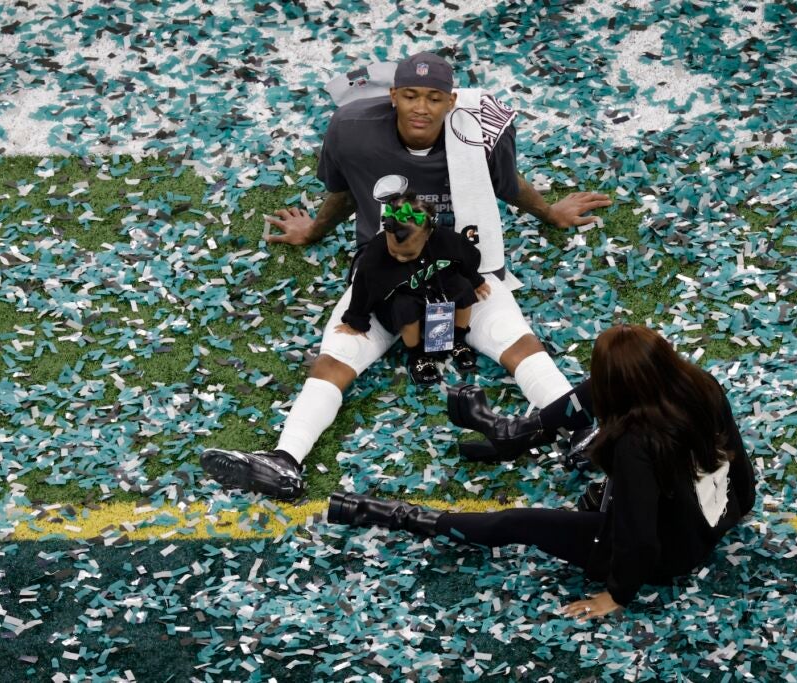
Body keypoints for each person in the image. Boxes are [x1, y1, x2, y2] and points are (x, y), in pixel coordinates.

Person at [200, 51, 612, 501]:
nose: (421, 107)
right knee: (336, 355)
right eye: (410, 95)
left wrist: (551, 213)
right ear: (392, 95)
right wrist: (314, 230)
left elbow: (506, 185)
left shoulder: (478, 131)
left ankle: (580, 429)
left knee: (518, 340)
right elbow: (345, 190)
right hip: (386, 270)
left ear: (451, 102)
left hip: (454, 268)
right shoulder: (352, 128)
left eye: (433, 98)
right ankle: (284, 459)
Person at [327, 324, 757, 617]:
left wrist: (617, 594)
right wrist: (741, 507)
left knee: (516, 522)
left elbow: (640, 537)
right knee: (592, 399)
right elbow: (736, 455)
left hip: (669, 551)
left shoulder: (634, 446)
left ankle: (396, 514)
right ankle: (511, 432)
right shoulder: (701, 385)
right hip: (706, 516)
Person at [338, 192, 491, 385]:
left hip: (439, 287)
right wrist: (355, 319)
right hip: (405, 297)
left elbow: (468, 256)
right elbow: (363, 286)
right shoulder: (375, 256)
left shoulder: (445, 240)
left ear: (428, 235)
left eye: (408, 254)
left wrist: (475, 280)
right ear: (386, 232)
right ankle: (417, 354)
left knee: (462, 287)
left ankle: (457, 340)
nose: (400, 258)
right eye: (394, 252)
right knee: (405, 307)